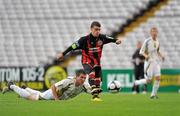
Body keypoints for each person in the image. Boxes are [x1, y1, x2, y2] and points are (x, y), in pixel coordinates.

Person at [56, 21, 122, 101]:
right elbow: (72, 46)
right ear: (91, 29)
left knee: (99, 80)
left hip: (96, 62)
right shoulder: (84, 40)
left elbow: (110, 39)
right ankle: (94, 90)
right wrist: (63, 54)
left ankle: (95, 96)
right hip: (86, 61)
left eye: (99, 30)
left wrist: (116, 40)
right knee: (92, 73)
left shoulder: (102, 38)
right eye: (96, 29)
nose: (97, 31)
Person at [3, 70, 91, 100]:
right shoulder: (68, 81)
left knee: (39, 94)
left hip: (55, 96)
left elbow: (93, 91)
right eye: (81, 77)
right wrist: (56, 99)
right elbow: (53, 86)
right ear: (76, 77)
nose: (83, 79)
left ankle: (25, 88)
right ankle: (12, 85)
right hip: (53, 94)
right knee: (31, 98)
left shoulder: (84, 86)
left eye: (84, 78)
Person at [134, 27, 165, 99]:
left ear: (157, 33)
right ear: (151, 33)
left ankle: (153, 94)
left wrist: (162, 56)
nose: (154, 33)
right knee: (149, 81)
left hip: (156, 62)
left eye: (155, 32)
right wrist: (146, 56)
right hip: (149, 63)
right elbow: (141, 51)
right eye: (153, 32)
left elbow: (157, 51)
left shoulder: (157, 41)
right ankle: (137, 82)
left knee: (158, 78)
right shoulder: (147, 41)